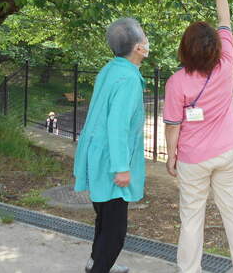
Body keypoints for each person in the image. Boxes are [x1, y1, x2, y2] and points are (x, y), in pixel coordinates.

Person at [163, 0, 233, 273]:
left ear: (184, 48)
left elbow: (173, 125)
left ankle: (189, 270)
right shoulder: (226, 63)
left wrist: (171, 156)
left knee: (192, 218)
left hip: (193, 159)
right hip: (229, 152)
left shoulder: (176, 82)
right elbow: (225, 20)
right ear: (216, 47)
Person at [73, 17, 149, 273]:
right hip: (110, 160)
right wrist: (121, 167)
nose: (148, 42)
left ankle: (95, 262)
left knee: (104, 218)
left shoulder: (111, 68)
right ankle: (100, 267)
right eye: (145, 38)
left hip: (96, 155)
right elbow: (118, 125)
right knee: (115, 231)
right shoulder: (128, 79)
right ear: (139, 48)